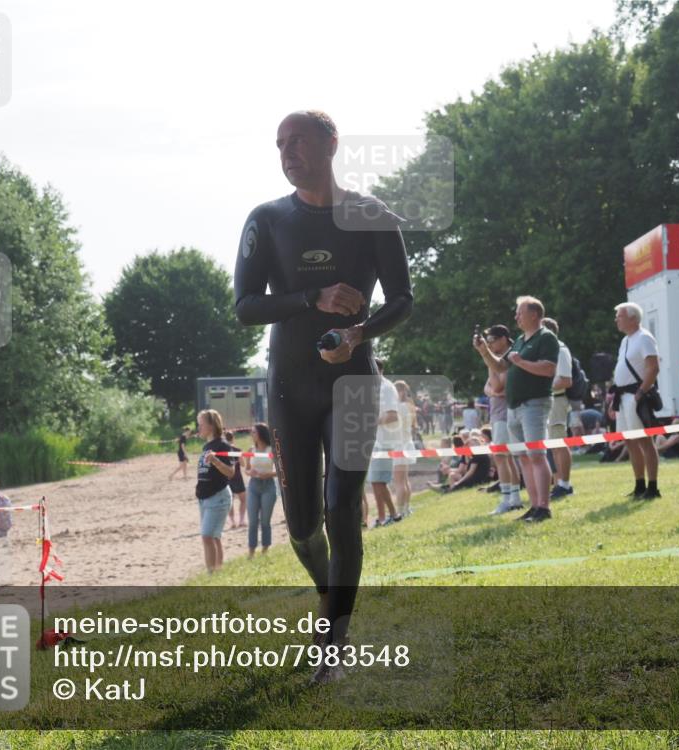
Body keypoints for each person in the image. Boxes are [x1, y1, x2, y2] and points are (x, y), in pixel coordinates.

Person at [233, 110, 413, 682]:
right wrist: (312, 296)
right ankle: (331, 600)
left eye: (299, 142)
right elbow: (245, 308)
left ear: (331, 144)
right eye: (280, 144)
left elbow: (402, 300)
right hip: (289, 385)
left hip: (355, 379)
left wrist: (360, 333)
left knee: (342, 508)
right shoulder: (267, 220)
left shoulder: (373, 217)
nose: (288, 153)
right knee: (304, 524)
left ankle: (335, 640)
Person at [474, 296, 559, 523]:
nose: (516, 317)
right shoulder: (521, 340)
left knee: (536, 456)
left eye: (520, 313)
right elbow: (501, 366)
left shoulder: (546, 338)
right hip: (514, 407)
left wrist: (521, 362)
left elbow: (549, 370)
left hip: (534, 404)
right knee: (523, 458)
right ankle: (533, 506)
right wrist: (484, 351)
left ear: (534, 314)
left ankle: (544, 507)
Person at [609, 302, 662, 500]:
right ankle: (639, 484)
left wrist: (640, 392)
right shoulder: (625, 341)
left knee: (644, 441)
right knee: (629, 441)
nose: (616, 320)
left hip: (635, 396)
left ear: (633, 318)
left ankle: (653, 486)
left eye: (620, 316)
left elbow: (653, 367)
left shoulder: (645, 338)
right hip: (623, 397)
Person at [474, 325, 522, 515]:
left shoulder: (509, 358)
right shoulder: (498, 360)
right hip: (498, 412)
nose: (490, 344)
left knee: (502, 456)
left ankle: (507, 498)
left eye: (492, 340)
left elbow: (496, 387)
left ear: (503, 339)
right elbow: (488, 389)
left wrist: (489, 363)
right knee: (505, 457)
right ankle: (513, 497)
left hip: (505, 412)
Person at [195, 410, 235, 572]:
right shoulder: (207, 446)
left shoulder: (222, 445)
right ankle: (218, 572)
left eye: (201, 424)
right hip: (204, 498)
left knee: (207, 536)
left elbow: (231, 472)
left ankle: (211, 575)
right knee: (214, 537)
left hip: (218, 497)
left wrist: (216, 461)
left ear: (211, 426)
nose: (199, 427)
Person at [540, 317, 575, 500]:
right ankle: (559, 482)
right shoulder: (552, 350)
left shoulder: (560, 350)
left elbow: (565, 380)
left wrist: (540, 386)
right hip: (551, 400)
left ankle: (565, 484)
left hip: (558, 400)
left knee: (560, 444)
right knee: (554, 445)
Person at [370, 359, 402, 527]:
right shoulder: (374, 388)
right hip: (375, 442)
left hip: (384, 442)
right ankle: (382, 517)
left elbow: (392, 415)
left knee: (379, 481)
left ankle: (394, 515)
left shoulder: (387, 388)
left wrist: (370, 422)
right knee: (375, 481)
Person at [244, 423, 278, 558]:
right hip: (253, 485)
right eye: (251, 432)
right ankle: (251, 551)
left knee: (265, 521)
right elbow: (246, 469)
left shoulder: (272, 450)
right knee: (252, 521)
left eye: (254, 432)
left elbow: (279, 470)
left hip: (268, 485)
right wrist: (249, 472)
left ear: (261, 433)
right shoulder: (250, 450)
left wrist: (269, 474)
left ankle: (265, 550)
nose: (252, 435)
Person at [392, 380, 416, 518]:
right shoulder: (409, 406)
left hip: (399, 445)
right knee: (405, 480)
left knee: (399, 481)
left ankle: (400, 510)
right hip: (406, 443)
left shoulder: (399, 407)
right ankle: (406, 508)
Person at [224, 430, 247, 529]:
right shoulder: (237, 450)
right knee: (243, 500)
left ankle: (233, 522)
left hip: (227, 478)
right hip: (237, 477)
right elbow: (243, 464)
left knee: (230, 501)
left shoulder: (222, 451)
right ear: (233, 438)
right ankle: (241, 520)